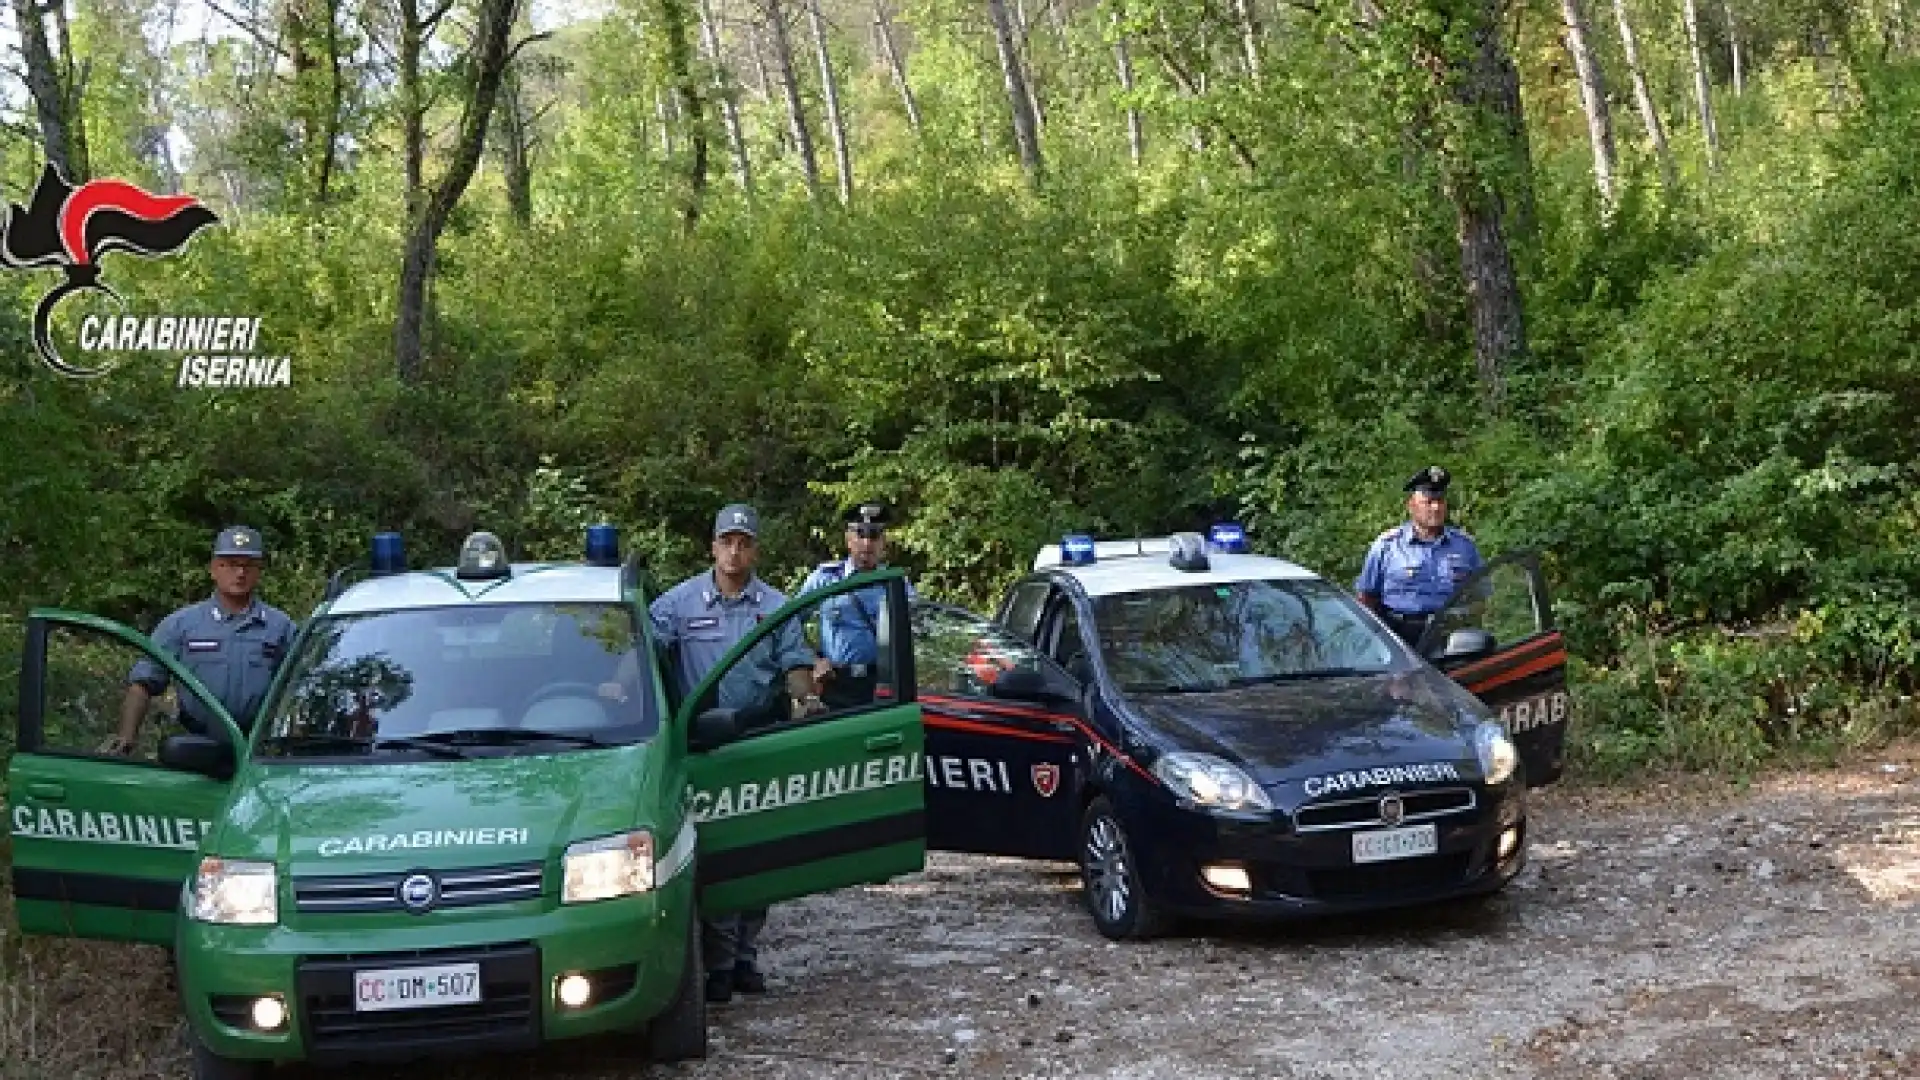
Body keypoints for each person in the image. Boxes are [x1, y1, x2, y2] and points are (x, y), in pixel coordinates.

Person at [649, 502, 821, 1005]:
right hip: (704, 747)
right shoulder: (677, 606)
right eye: (727, 541)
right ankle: (717, 965)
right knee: (715, 854)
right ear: (713, 546)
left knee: (759, 854)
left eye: (744, 542)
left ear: (755, 550)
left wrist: (807, 698)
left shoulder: (775, 606)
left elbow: (794, 663)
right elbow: (643, 656)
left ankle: (745, 957)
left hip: (758, 743)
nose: (735, 550)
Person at [104, 525, 298, 755]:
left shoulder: (281, 627)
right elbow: (143, 683)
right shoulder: (180, 625)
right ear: (214, 569)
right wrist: (126, 737)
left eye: (248, 565)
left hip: (259, 752)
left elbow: (301, 689)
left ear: (259, 571)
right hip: (195, 749)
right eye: (230, 564)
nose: (240, 573)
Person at [796, 501, 916, 710]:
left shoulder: (897, 585)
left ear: (883, 542)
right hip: (835, 683)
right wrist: (813, 660)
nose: (867, 544)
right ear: (848, 539)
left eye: (874, 536)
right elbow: (790, 626)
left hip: (883, 685)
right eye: (860, 535)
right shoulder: (825, 580)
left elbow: (921, 630)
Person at [1354, 466, 1484, 646]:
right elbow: (1366, 599)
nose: (1436, 507)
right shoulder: (1387, 546)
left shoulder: (1464, 546)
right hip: (1402, 638)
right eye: (1428, 502)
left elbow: (1480, 596)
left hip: (1453, 639)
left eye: (1440, 501)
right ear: (1411, 506)